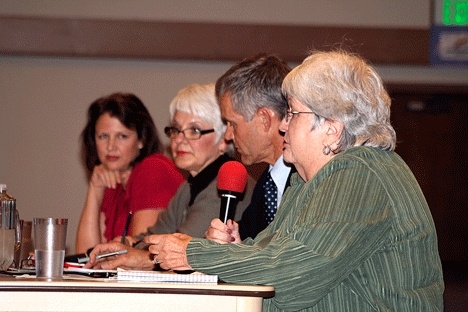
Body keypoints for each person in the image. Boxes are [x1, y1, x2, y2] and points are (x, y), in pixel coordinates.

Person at [89, 50, 445, 311]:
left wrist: (194, 252)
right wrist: (235, 252)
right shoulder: (308, 183)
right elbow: (277, 258)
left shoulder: (359, 172)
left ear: (332, 130)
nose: (283, 125)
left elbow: (291, 279)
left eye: (293, 113)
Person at [84, 83, 254, 269]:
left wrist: (137, 254)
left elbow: (181, 252)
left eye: (194, 130)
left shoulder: (226, 186)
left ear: (223, 139)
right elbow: (153, 237)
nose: (179, 140)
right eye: (176, 129)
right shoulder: (189, 187)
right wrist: (128, 245)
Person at [76, 92, 184, 253]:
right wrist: (95, 188)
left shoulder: (153, 169)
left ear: (141, 140)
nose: (111, 146)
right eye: (103, 136)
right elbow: (86, 256)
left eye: (122, 136)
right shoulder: (114, 180)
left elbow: (139, 254)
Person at [215, 53, 294, 240]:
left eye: (232, 124)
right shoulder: (266, 185)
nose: (227, 135)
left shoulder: (309, 179)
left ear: (264, 120)